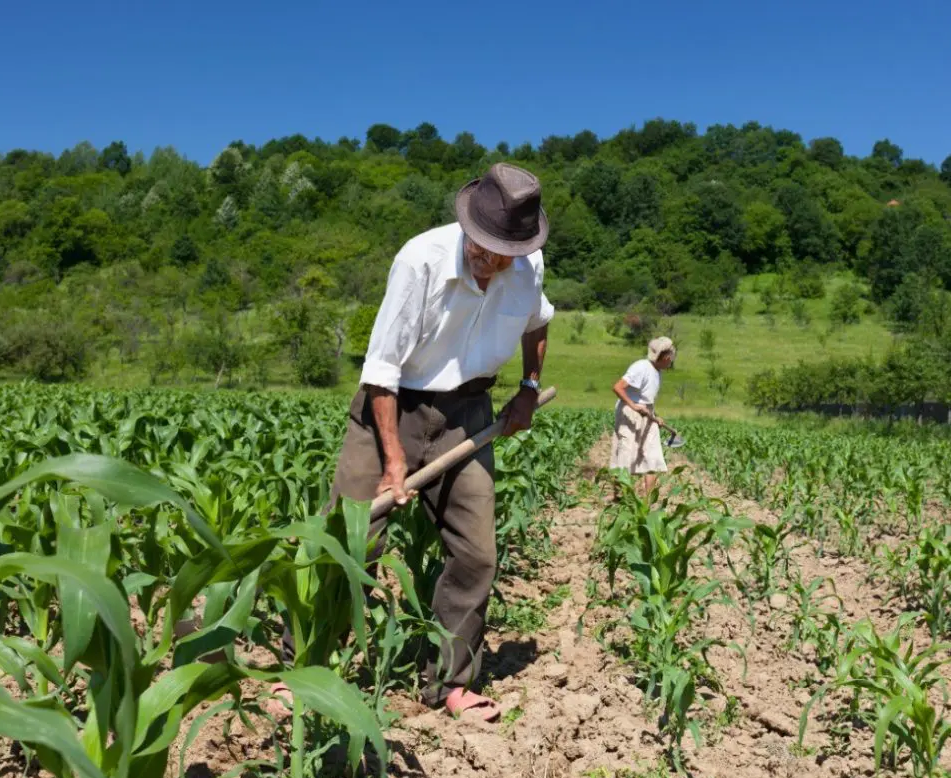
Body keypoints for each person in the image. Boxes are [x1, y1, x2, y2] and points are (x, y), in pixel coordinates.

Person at [273, 163, 553, 723]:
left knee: (476, 554)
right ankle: (301, 665)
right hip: (391, 408)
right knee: (349, 540)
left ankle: (451, 683)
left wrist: (527, 388)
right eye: (482, 244)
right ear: (468, 225)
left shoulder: (527, 268)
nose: (490, 259)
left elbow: (537, 323)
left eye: (503, 251)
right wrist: (393, 460)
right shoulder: (420, 259)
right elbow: (381, 369)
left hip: (469, 415)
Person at [609, 337, 676, 494]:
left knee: (653, 456)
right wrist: (633, 406)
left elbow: (646, 400)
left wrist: (656, 416)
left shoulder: (657, 372)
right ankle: (619, 497)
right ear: (666, 356)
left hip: (647, 413)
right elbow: (618, 388)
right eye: (671, 357)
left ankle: (647, 503)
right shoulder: (641, 367)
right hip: (629, 414)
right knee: (625, 454)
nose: (672, 361)